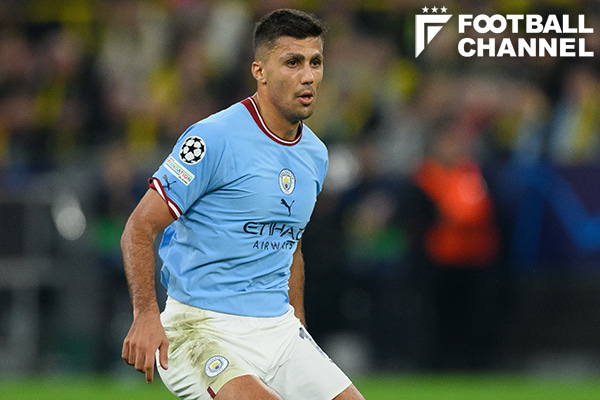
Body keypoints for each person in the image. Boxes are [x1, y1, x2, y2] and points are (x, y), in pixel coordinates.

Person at [120, 9, 365, 400]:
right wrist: (146, 314)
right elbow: (140, 226)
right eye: (293, 62)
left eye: (315, 62)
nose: (308, 76)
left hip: (279, 331)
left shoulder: (315, 154)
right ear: (259, 71)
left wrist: (299, 328)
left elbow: (290, 246)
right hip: (200, 329)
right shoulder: (213, 138)